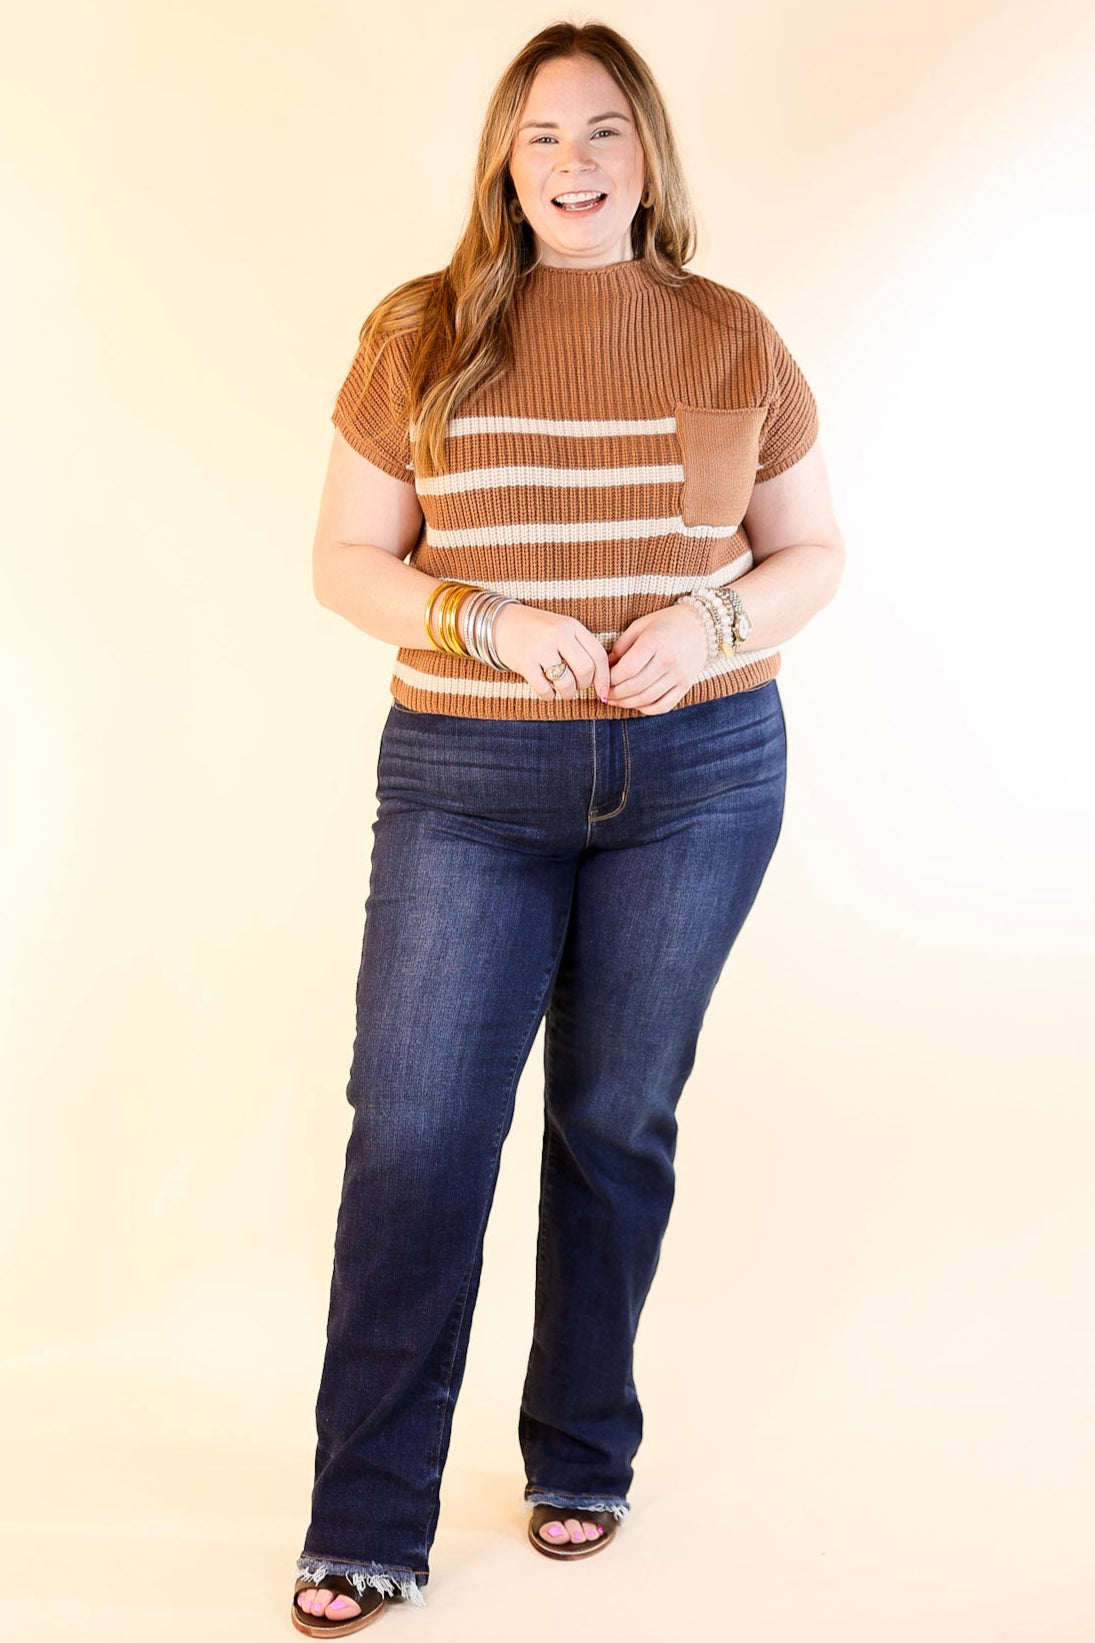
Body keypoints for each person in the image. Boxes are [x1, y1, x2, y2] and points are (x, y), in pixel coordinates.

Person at [291, 19, 845, 1635]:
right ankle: (367, 1516)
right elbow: (345, 559)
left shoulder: (732, 335)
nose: (574, 163)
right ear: (504, 163)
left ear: (648, 157)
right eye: (542, 136)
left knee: (616, 1120)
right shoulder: (422, 330)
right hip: (469, 783)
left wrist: (711, 622)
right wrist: (483, 615)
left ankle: (582, 1452)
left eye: (605, 131)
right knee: (416, 1130)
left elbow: (809, 552)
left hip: (700, 780)